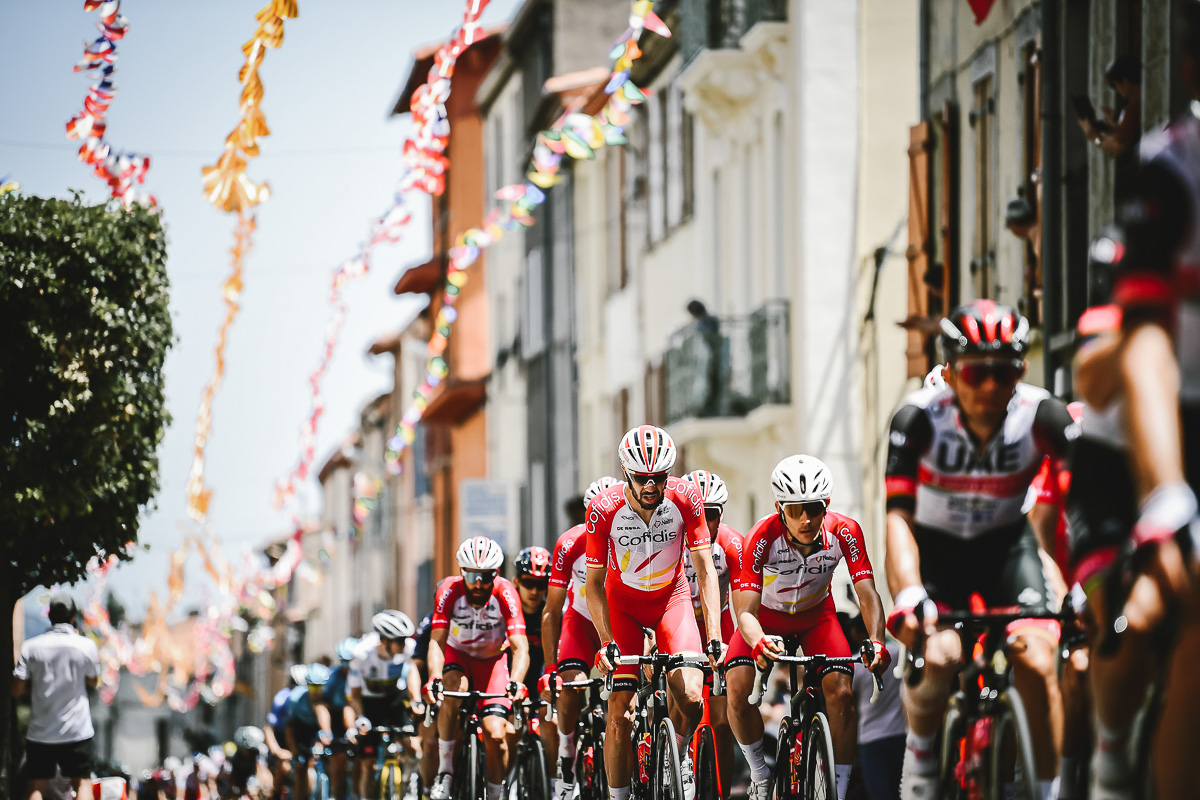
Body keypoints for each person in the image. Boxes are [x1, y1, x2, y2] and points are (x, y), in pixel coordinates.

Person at [1071, 18, 1200, 792]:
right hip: (1131, 443)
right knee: (1159, 614)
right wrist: (1167, 496)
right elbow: (1110, 373)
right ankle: (1113, 762)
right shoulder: (1175, 167)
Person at [884, 300, 1076, 799]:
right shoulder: (918, 418)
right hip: (936, 554)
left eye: (1005, 371)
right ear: (949, 372)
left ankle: (1049, 787)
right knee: (942, 654)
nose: (991, 386)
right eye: (977, 373)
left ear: (1023, 370)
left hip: (1005, 550)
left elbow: (1084, 496)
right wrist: (907, 592)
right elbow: (898, 518)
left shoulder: (1041, 412)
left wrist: (1086, 582)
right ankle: (923, 762)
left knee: (1037, 655)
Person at [726, 455, 889, 800]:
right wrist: (756, 644)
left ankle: (838, 788)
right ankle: (759, 774)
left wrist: (877, 639)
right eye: (795, 509)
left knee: (843, 694)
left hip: (817, 616)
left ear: (826, 505)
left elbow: (868, 594)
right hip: (765, 618)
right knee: (738, 690)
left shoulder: (845, 531)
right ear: (779, 507)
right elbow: (746, 611)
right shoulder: (761, 536)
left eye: (813, 508)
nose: (805, 519)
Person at [586, 425, 725, 800]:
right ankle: (619, 796)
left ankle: (675, 756)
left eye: (659, 478)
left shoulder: (686, 498)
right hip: (623, 605)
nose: (651, 487)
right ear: (625, 474)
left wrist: (714, 636)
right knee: (620, 711)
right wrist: (605, 641)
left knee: (693, 696)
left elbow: (705, 567)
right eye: (642, 479)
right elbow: (593, 584)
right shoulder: (604, 510)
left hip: (671, 600)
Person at [425, 537, 529, 800]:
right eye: (472, 575)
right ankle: (445, 772)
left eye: (486, 575)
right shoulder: (449, 590)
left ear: (496, 573)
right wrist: (434, 677)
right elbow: (436, 641)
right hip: (457, 656)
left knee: (495, 735)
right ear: (462, 572)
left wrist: (516, 680)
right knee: (451, 689)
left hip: (492, 661)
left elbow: (520, 647)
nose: (479, 583)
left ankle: (496, 794)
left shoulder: (506, 592)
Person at [542, 477, 620, 800]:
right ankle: (566, 756)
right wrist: (549, 669)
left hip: (619, 622)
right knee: (570, 686)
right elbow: (551, 612)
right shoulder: (569, 544)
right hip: (581, 621)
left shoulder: (630, 537)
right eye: (593, 516)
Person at [680, 469, 743, 798]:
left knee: (720, 721)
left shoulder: (732, 544)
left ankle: (722, 794)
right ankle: (673, 763)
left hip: (719, 625)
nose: (703, 522)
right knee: (680, 705)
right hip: (678, 625)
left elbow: (746, 601)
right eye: (696, 513)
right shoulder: (671, 539)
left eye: (712, 514)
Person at [12, 592, 100, 800]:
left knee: (36, 785)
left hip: (41, 731)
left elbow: (15, 690)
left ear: (49, 616)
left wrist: (36, 683)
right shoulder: (86, 646)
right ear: (73, 617)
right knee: (83, 782)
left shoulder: (30, 647)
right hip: (77, 730)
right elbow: (93, 682)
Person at [348, 610, 419, 799]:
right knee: (368, 765)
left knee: (411, 743)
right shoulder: (361, 654)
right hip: (369, 703)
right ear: (384, 641)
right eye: (400, 641)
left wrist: (415, 700)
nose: (405, 645)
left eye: (405, 639)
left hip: (395, 698)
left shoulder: (409, 647)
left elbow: (412, 673)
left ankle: (409, 779)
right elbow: (354, 695)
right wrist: (361, 717)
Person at [838, 605, 904, 800]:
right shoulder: (898, 654)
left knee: (879, 792)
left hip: (870, 737)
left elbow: (847, 699)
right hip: (901, 732)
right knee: (902, 789)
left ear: (858, 634)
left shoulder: (855, 664)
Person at [512, 546, 556, 776]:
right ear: (516, 581)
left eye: (541, 585)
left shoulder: (554, 612)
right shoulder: (506, 612)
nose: (534, 591)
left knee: (553, 725)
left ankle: (551, 783)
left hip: (542, 679)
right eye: (529, 583)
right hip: (512, 679)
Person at [284, 663, 334, 800]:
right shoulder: (295, 699)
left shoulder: (328, 696)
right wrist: (294, 752)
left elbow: (327, 717)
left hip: (318, 730)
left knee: (320, 708)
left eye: (319, 687)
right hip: (301, 730)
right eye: (312, 687)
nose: (316, 692)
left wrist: (324, 738)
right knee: (301, 768)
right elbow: (289, 729)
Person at [1077, 54, 1142, 158]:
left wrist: (1095, 137)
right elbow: (1123, 135)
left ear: (1124, 81)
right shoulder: (1134, 106)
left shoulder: (1134, 108)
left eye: (1115, 85)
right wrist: (1113, 126)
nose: (1117, 90)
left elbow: (1118, 147)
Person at [323, 638, 357, 800]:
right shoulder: (334, 678)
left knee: (361, 759)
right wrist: (326, 730)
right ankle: (335, 794)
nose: (347, 668)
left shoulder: (362, 672)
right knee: (339, 760)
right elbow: (324, 706)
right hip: (336, 721)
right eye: (344, 663)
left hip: (358, 717)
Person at [411, 609, 437, 797]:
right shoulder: (430, 621)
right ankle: (427, 791)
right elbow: (415, 666)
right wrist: (415, 699)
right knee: (429, 745)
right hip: (432, 688)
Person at [687, 300, 723, 417]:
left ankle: (708, 407)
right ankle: (709, 406)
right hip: (712, 358)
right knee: (711, 382)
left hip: (709, 358)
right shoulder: (711, 321)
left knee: (707, 383)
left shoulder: (704, 324)